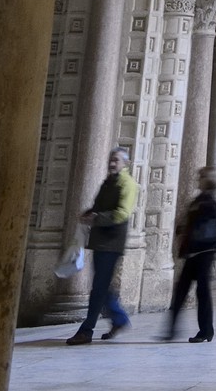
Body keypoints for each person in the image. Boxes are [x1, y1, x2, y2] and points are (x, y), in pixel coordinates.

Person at [66, 147, 139, 345]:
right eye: (110, 159)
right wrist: (89, 213)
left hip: (111, 242)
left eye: (116, 160)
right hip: (101, 240)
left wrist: (97, 217)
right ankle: (119, 318)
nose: (112, 163)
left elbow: (122, 213)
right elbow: (100, 207)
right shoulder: (109, 182)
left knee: (99, 287)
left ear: (125, 163)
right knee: (102, 285)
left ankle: (86, 330)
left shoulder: (127, 183)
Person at [165, 167, 216, 343]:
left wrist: (189, 229)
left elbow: (209, 227)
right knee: (182, 290)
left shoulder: (209, 202)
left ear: (208, 180)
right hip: (194, 252)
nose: (198, 179)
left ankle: (206, 331)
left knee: (202, 292)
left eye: (201, 177)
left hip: (204, 252)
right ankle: (171, 330)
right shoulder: (200, 200)